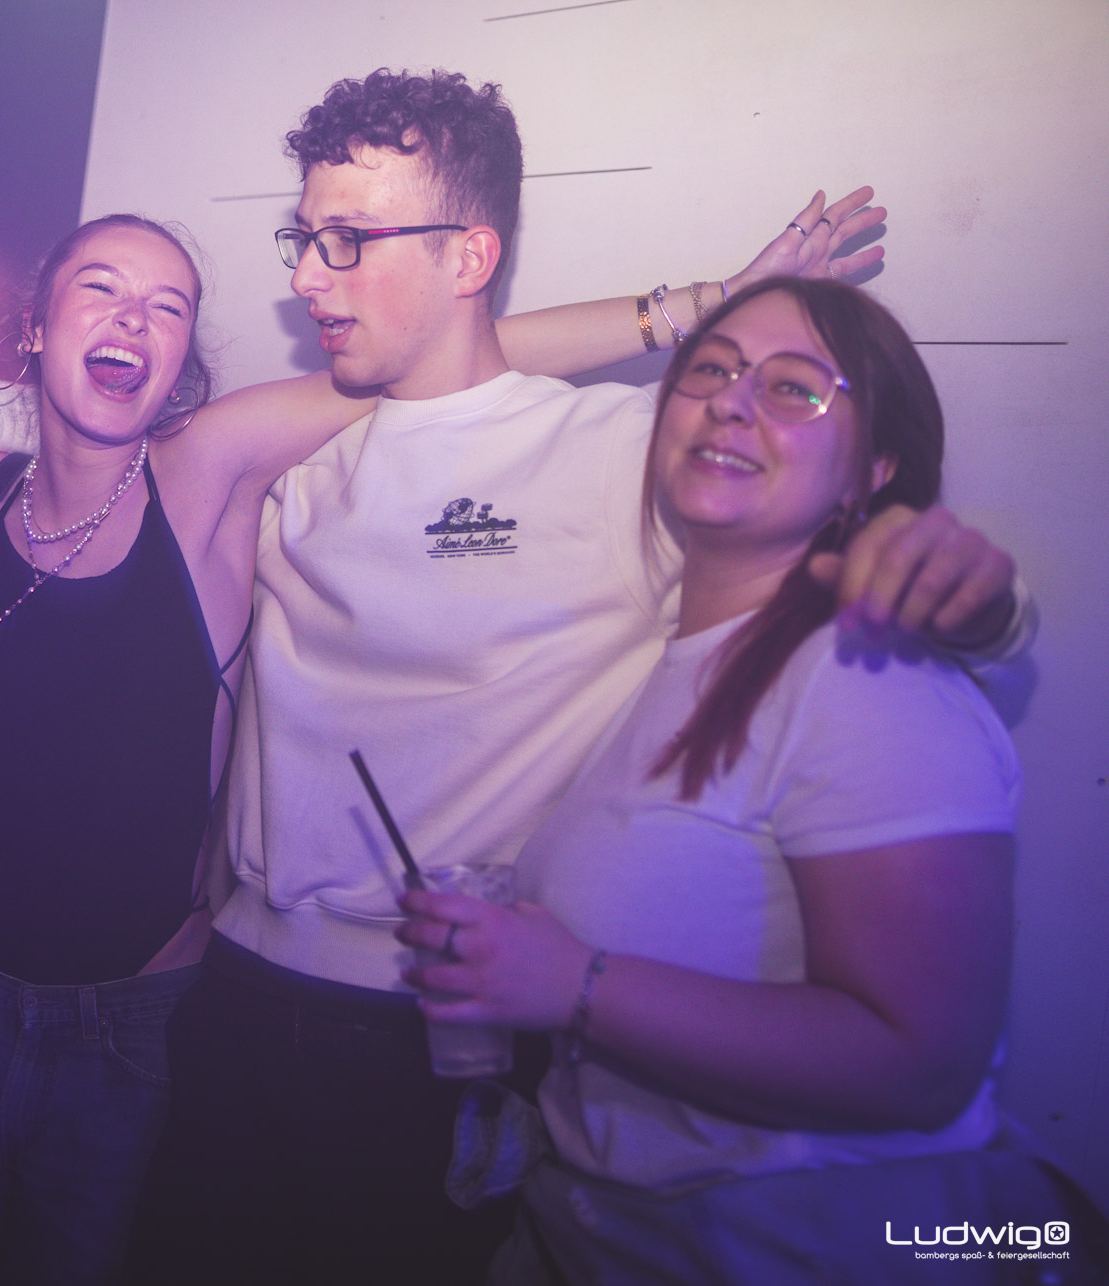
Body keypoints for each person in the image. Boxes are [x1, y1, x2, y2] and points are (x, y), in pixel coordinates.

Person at [117, 70, 1029, 1286]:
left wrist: (987, 606)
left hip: (435, 1023)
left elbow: (821, 547)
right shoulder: (299, 458)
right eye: (304, 239)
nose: (307, 278)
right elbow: (180, 446)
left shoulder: (622, 452)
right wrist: (684, 305)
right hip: (234, 992)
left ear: (469, 254)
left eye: (348, 240)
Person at [396, 278, 1103, 1284]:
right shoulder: (680, 665)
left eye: (793, 387)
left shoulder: (867, 679)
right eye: (712, 369)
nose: (732, 401)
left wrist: (574, 984)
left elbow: (921, 1065)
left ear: (875, 468)